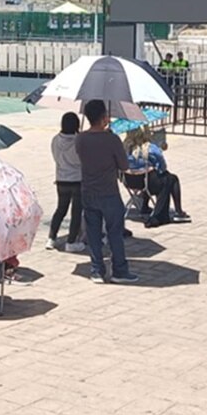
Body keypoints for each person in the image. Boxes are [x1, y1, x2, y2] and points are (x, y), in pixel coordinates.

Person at [75, 100, 137, 283]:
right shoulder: (112, 139)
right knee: (115, 232)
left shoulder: (81, 138)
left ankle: (97, 270)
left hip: (88, 190)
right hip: (108, 191)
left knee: (93, 233)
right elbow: (124, 166)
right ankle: (119, 270)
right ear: (103, 118)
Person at [125, 127, 189, 227]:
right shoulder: (151, 148)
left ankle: (145, 207)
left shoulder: (125, 149)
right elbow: (162, 168)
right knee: (172, 178)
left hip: (130, 182)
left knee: (149, 177)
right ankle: (178, 211)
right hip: (149, 184)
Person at [47, 112, 86, 252]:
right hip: (77, 179)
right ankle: (71, 241)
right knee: (76, 212)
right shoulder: (79, 141)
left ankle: (51, 237)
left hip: (61, 179)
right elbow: (82, 160)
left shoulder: (55, 140)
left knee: (60, 209)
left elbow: (55, 157)